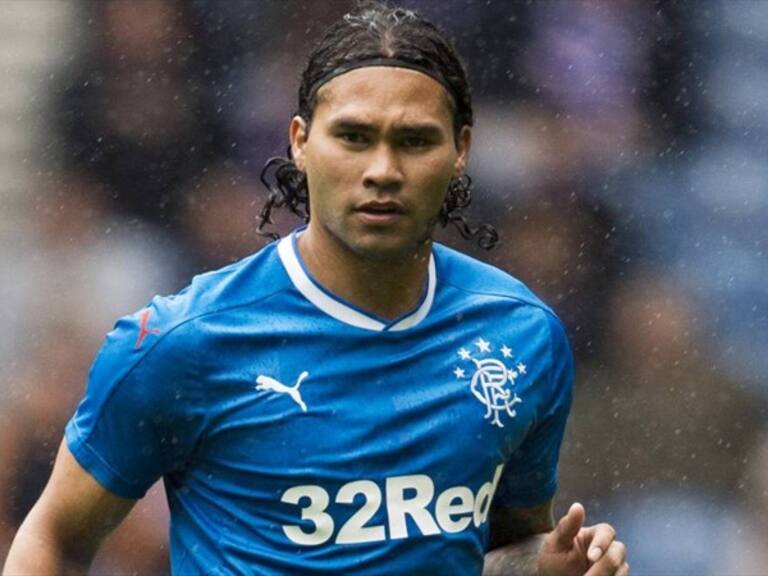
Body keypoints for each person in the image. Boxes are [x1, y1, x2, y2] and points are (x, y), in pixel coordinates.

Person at [4, 3, 629, 575]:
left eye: (414, 140)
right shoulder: (183, 342)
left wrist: (546, 566)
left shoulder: (520, 336)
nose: (383, 170)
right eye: (354, 137)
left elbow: (492, 554)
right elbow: (55, 537)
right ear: (301, 142)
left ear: (460, 150)